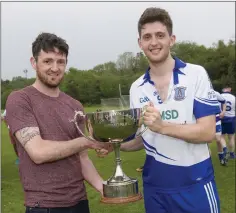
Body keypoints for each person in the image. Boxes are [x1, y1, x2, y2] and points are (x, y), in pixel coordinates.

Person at [100, 7, 221, 213]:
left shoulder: (195, 74)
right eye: (147, 37)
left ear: (171, 39)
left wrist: (162, 126)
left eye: (160, 35)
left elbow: (207, 132)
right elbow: (143, 138)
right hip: (155, 190)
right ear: (140, 43)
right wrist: (116, 146)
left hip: (195, 185)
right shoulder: (137, 88)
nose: (153, 42)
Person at [6, 32, 110, 213]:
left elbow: (82, 158)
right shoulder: (20, 99)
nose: (55, 68)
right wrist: (89, 141)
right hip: (44, 205)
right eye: (48, 61)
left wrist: (103, 187)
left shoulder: (75, 105)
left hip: (79, 202)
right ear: (33, 62)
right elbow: (38, 152)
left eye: (60, 62)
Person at [220, 85, 236, 159]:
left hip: (222, 118)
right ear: (229, 89)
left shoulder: (219, 96)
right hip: (231, 118)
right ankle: (232, 154)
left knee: (221, 136)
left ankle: (225, 149)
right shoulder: (234, 98)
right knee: (231, 137)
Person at [214, 91, 227, 165]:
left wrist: (223, 111)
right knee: (205, 142)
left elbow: (224, 101)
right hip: (205, 120)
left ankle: (223, 155)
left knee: (218, 139)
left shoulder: (215, 93)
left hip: (216, 119)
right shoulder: (199, 93)